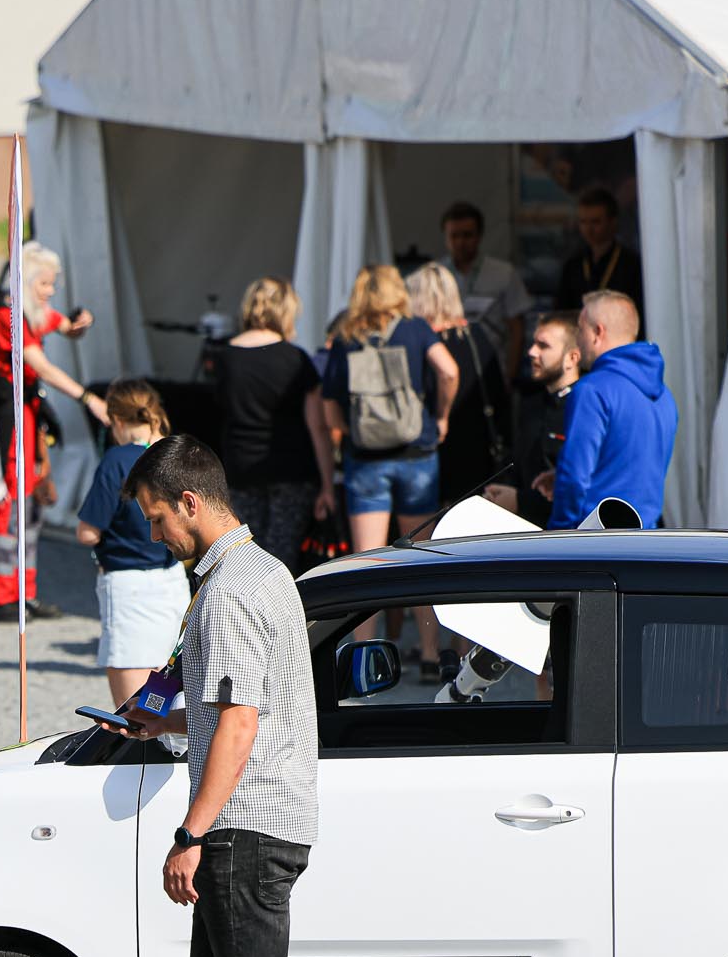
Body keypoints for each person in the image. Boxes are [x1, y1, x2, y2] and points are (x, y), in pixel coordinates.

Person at [117, 435, 402, 957]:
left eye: (156, 518)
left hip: (245, 820)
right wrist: (169, 722)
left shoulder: (234, 589)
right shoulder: (257, 572)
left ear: (191, 503)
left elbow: (242, 723)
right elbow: (236, 706)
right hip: (256, 811)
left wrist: (191, 831)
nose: (154, 535)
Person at [0, 241, 105, 621]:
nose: (51, 292)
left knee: (31, 509)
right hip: (4, 422)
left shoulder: (27, 311)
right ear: (26, 282)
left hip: (28, 420)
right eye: (45, 285)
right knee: (6, 504)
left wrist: (77, 324)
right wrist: (88, 398)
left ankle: (25, 592)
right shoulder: (5, 317)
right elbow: (40, 365)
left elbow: (59, 324)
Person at [321, 264, 457, 673]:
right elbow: (449, 370)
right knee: (419, 558)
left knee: (368, 563)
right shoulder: (415, 328)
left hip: (366, 462)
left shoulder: (347, 335)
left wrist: (342, 432)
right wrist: (442, 416)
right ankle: (431, 654)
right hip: (417, 454)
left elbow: (329, 401)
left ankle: (365, 661)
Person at [74, 380, 187, 707]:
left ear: (117, 421)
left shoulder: (118, 459)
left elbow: (88, 531)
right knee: (166, 689)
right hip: (173, 582)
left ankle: (143, 755)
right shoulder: (174, 453)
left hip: (128, 586)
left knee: (134, 713)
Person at [211, 276, 336, 568]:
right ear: (287, 311)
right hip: (292, 471)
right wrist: (328, 485)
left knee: (243, 559)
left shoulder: (225, 359)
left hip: (240, 469)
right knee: (281, 561)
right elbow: (318, 428)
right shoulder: (296, 360)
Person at [548, 291, 675, 530]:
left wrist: (558, 533)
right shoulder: (664, 395)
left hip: (595, 541)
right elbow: (632, 468)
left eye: (580, 329)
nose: (578, 338)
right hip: (646, 540)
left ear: (598, 332)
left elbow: (574, 478)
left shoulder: (591, 390)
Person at [408, 264, 512, 507]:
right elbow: (498, 391)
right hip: (478, 448)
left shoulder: (422, 343)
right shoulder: (477, 335)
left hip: (434, 448)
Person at [499, 310, 583, 521]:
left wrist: (520, 500)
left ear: (572, 358)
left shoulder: (583, 409)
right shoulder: (531, 403)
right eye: (534, 343)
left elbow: (577, 488)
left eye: (543, 346)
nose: (531, 352)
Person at [439, 200, 532, 357]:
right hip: (448, 361)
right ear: (445, 237)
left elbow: (517, 329)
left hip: (492, 362)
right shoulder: (434, 276)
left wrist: (510, 375)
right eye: (454, 236)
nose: (460, 242)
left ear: (479, 235)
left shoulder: (503, 273)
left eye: (467, 235)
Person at [551, 186, 644, 321]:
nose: (589, 229)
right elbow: (561, 313)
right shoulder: (573, 266)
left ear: (613, 222)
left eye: (596, 222)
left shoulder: (630, 265)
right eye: (583, 222)